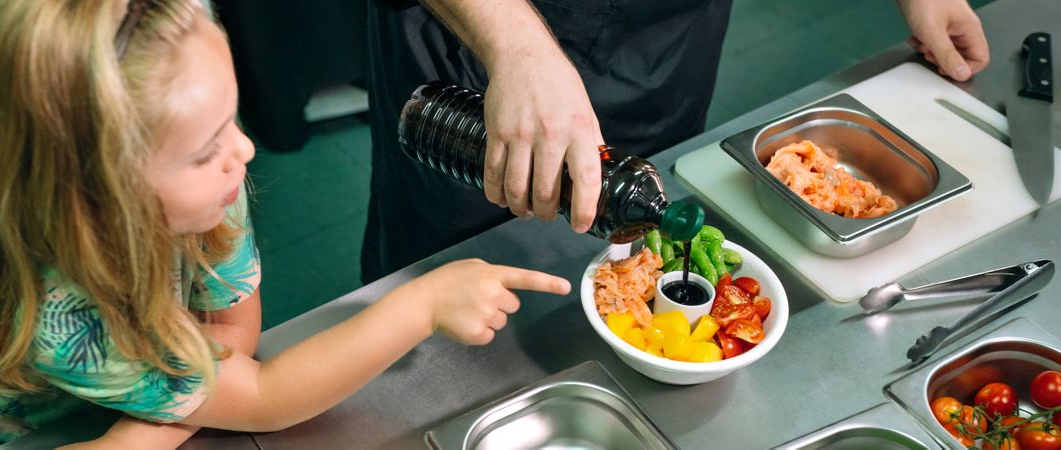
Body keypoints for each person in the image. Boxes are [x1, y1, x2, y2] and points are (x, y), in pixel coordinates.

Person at [0, 1, 571, 448]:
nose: (243, 151)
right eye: (205, 149)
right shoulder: (64, 319)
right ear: (98, 197)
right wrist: (420, 305)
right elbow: (259, 395)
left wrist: (179, 394)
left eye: (233, 120)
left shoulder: (211, 174)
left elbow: (233, 333)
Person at [361, 0, 990, 283]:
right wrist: (518, 50)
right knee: (453, 267)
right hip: (484, 49)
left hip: (664, 39)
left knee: (637, 237)